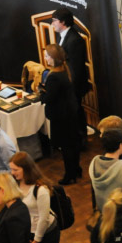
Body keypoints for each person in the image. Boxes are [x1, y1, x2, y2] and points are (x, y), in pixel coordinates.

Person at [9, 152, 67, 243]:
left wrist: (37, 241)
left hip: (46, 233)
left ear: (26, 168)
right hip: (29, 230)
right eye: (11, 169)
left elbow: (43, 218)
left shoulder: (41, 189)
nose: (12, 173)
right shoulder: (16, 182)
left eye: (16, 170)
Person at [39, 44, 82, 184]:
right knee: (73, 144)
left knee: (66, 148)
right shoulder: (65, 69)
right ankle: (76, 169)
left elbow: (49, 98)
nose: (45, 58)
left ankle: (69, 175)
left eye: (46, 55)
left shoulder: (53, 77)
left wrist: (41, 94)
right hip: (70, 113)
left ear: (52, 59)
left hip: (61, 116)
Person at [51, 8, 90, 140]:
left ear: (63, 22)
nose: (52, 24)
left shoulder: (75, 40)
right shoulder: (62, 36)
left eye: (54, 21)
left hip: (74, 86)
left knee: (76, 112)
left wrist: (70, 88)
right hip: (66, 83)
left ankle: (81, 139)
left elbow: (76, 68)